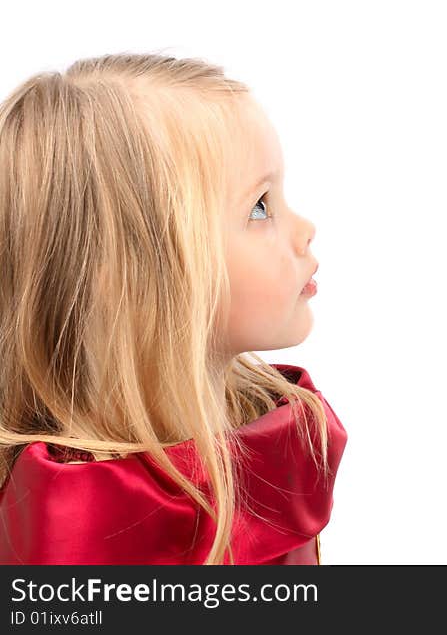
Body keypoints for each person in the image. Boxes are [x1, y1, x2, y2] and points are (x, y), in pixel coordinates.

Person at [0, 52, 347, 564]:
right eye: (259, 208)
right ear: (133, 277)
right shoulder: (81, 524)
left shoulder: (279, 434)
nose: (304, 229)